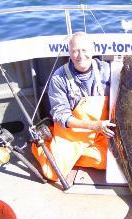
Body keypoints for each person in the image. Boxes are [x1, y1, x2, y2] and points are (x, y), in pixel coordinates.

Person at [32, 32, 115, 182]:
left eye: (84, 50)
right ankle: (41, 144)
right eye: (75, 51)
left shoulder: (107, 70)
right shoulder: (59, 77)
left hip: (102, 130)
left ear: (93, 50)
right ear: (69, 53)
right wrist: (94, 125)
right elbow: (61, 115)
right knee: (52, 173)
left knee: (111, 162)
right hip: (73, 131)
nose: (80, 55)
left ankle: (73, 157)